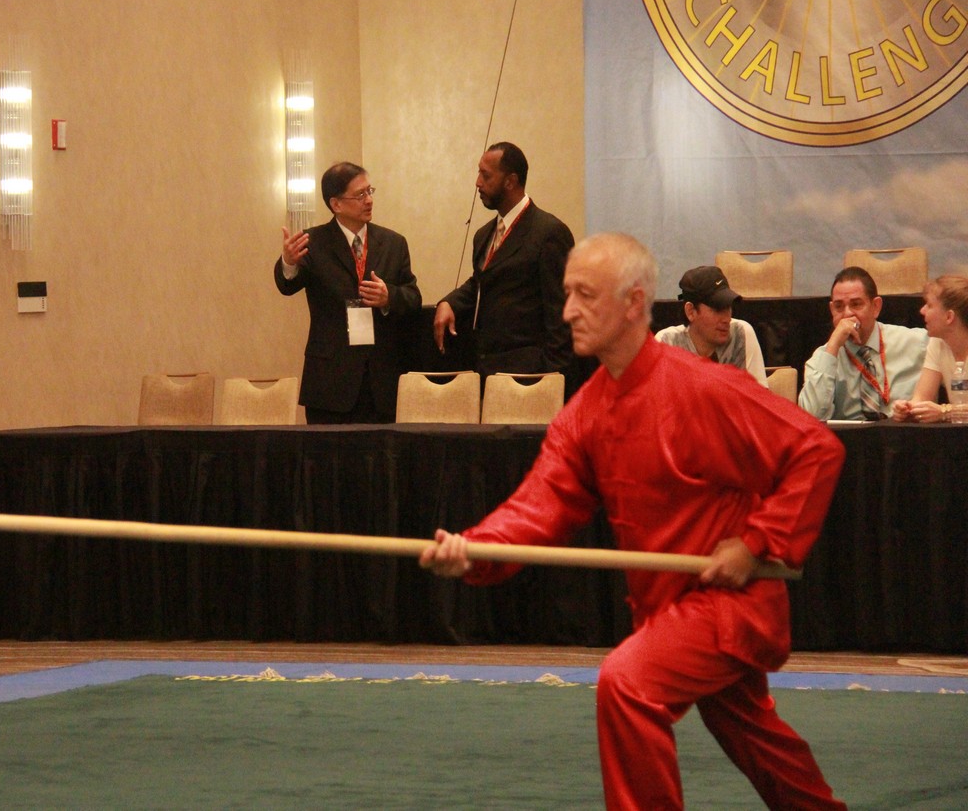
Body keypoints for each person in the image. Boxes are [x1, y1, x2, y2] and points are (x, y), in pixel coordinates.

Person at [421, 232, 847, 810]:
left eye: (586, 295)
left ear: (633, 302)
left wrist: (755, 542)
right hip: (666, 610)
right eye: (568, 294)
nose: (568, 312)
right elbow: (539, 506)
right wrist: (473, 548)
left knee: (627, 683)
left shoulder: (706, 387)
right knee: (753, 735)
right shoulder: (583, 416)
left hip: (729, 605)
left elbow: (816, 450)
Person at [275, 162, 421, 423]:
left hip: (381, 381)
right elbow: (287, 286)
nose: (369, 200)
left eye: (370, 191)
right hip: (330, 382)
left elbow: (413, 297)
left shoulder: (393, 243)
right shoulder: (312, 243)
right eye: (360, 195)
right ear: (336, 204)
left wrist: (389, 297)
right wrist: (288, 262)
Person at [432, 142, 579, 388]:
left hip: (530, 378)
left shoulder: (549, 233)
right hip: (488, 372)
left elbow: (561, 315)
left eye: (486, 175)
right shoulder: (483, 235)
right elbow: (482, 282)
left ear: (510, 181)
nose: (477, 183)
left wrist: (551, 380)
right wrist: (450, 302)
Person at [798, 266, 927, 421]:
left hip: (903, 433)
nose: (847, 314)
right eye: (839, 306)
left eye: (856, 304)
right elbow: (811, 418)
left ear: (876, 307)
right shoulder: (822, 358)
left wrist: (944, 410)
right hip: (850, 435)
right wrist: (833, 346)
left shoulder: (915, 342)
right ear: (832, 310)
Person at [654, 264, 768, 385]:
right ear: (691, 311)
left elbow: (759, 395)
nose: (727, 319)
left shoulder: (742, 333)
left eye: (728, 307)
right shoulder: (667, 342)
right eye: (717, 309)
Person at [892, 275, 968, 423]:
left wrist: (945, 412)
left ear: (949, 317)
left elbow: (942, 412)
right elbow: (921, 397)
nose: (922, 311)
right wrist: (908, 408)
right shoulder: (937, 343)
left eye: (929, 305)